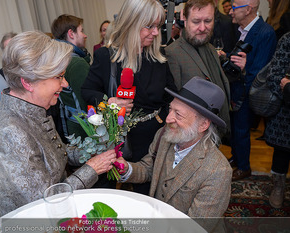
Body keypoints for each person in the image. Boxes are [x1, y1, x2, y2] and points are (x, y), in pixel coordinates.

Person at [0, 31, 116, 216]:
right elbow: (44, 202)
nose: (66, 83)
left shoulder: (30, 110)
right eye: (58, 76)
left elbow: (53, 152)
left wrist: (89, 153)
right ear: (28, 82)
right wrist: (92, 168)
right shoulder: (10, 132)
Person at [81, 0, 177, 194]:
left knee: (150, 192)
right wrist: (108, 102)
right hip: (119, 139)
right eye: (149, 26)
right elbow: (87, 91)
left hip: (154, 139)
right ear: (131, 23)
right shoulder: (105, 57)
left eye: (157, 26)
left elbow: (171, 94)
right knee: (113, 194)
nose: (156, 33)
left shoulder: (159, 57)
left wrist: (162, 120)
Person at [116, 77, 232, 230]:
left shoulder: (218, 171)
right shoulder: (164, 135)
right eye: (170, 109)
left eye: (178, 114)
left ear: (203, 124)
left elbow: (195, 227)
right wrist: (126, 169)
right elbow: (150, 168)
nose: (168, 118)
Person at [165, 0, 243, 137]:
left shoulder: (211, 49)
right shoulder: (172, 53)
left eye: (208, 21)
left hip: (214, 134)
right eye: (196, 21)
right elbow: (172, 104)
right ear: (184, 18)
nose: (202, 28)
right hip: (190, 138)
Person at [228, 0, 277, 181]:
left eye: (234, 7)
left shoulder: (265, 33)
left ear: (248, 9)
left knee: (241, 130)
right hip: (237, 89)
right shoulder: (241, 30)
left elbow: (261, 72)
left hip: (248, 93)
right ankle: (236, 158)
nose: (231, 12)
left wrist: (244, 67)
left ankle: (244, 167)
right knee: (234, 129)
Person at [51, 14, 91, 140]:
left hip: (67, 128)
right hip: (83, 131)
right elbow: (87, 103)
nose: (85, 35)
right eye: (81, 31)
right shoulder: (76, 63)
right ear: (71, 34)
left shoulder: (55, 59)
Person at [264, 32, 290, 208]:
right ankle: (278, 186)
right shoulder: (287, 40)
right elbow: (274, 77)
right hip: (286, 114)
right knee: (282, 152)